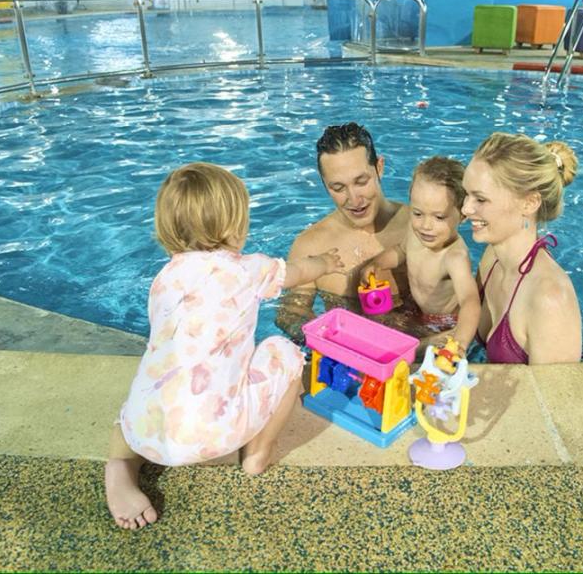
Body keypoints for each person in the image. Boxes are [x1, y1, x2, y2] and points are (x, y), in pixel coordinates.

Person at [106, 162, 344, 530]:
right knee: (287, 351)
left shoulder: (163, 279)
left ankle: (120, 470)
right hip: (217, 433)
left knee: (133, 411)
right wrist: (325, 262)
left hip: (150, 432)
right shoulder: (249, 269)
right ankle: (257, 453)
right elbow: (299, 272)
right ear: (234, 227)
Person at [275, 122, 412, 343]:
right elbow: (290, 313)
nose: (354, 199)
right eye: (338, 188)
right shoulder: (310, 246)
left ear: (379, 167)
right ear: (324, 184)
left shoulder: (417, 228)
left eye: (361, 181)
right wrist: (326, 337)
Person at [461, 132, 582, 364]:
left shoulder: (549, 299)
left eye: (480, 199)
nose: (466, 209)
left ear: (529, 203)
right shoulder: (492, 258)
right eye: (467, 194)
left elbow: (555, 399)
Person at [358, 156, 480, 353]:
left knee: (412, 352)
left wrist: (460, 343)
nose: (425, 225)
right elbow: (400, 251)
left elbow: (470, 301)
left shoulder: (454, 256)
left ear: (464, 214)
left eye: (439, 217)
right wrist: (377, 264)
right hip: (418, 310)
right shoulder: (416, 235)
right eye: (417, 213)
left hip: (445, 324)